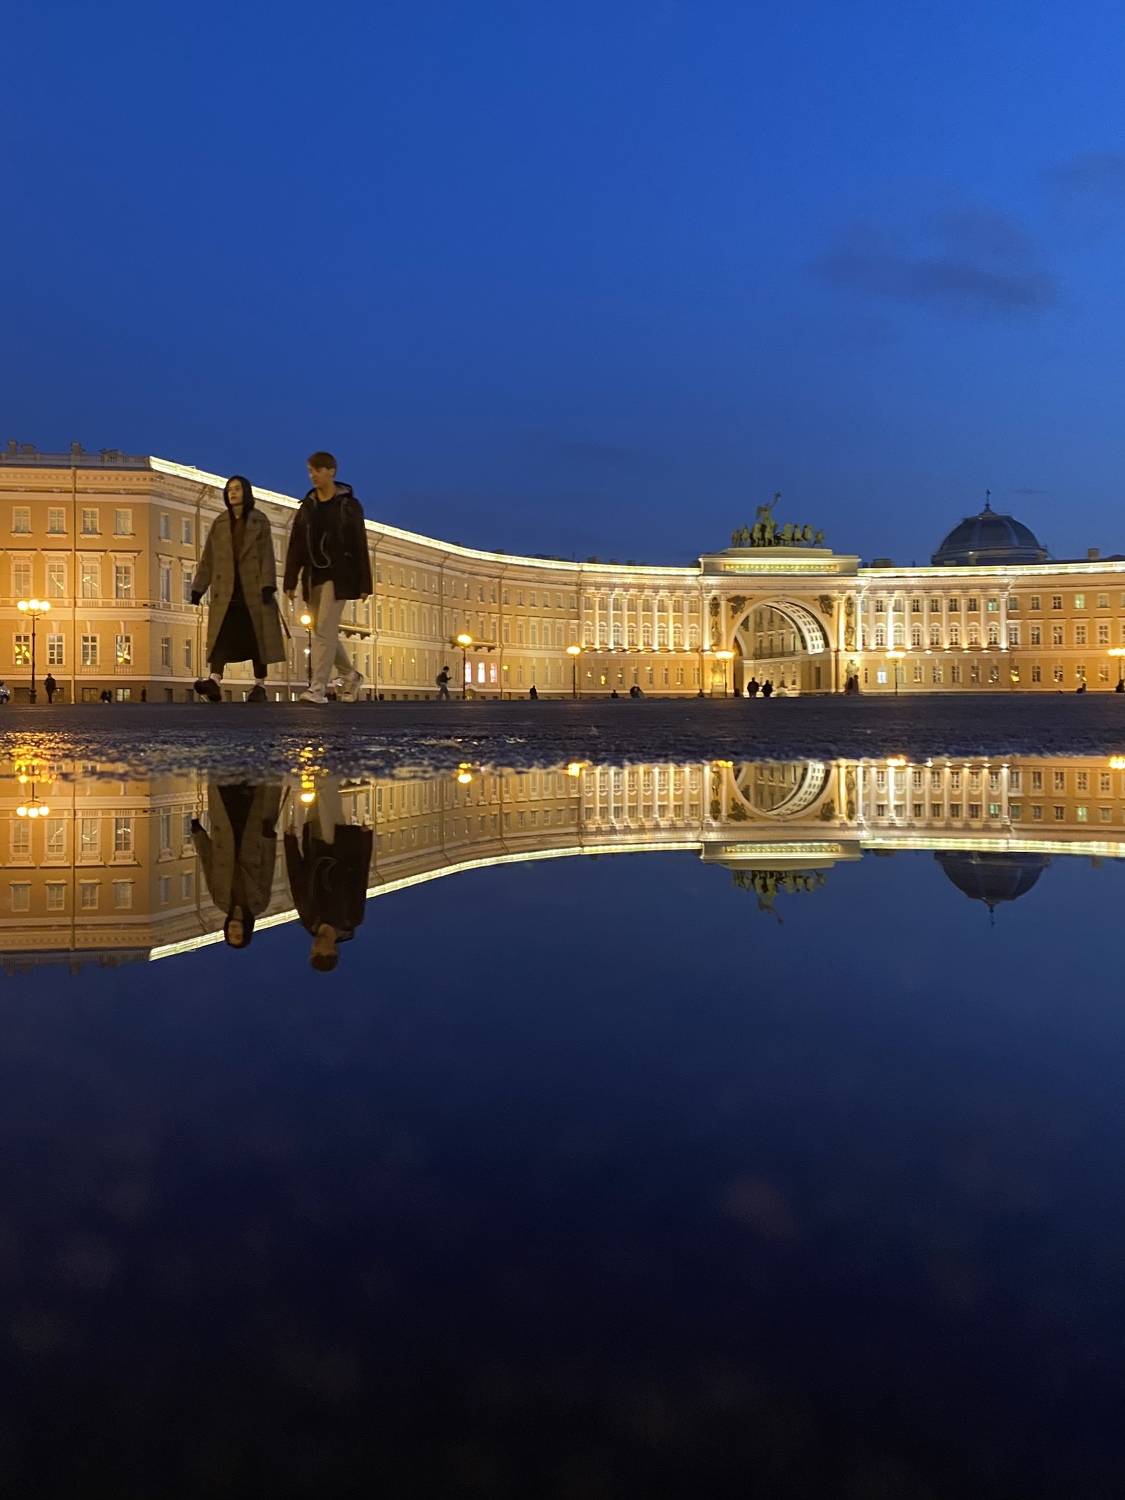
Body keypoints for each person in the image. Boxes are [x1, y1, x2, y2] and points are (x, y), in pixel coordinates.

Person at [283, 451, 372, 706]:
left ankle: (317, 689)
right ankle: (350, 675)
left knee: (323, 630)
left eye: (317, 470)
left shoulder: (349, 506)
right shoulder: (307, 507)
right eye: (310, 471)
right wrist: (290, 580)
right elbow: (296, 545)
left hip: (339, 575)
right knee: (323, 630)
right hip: (314, 576)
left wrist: (365, 583)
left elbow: (359, 542)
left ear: (331, 471)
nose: (313, 475)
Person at [191, 476, 285, 703]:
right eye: (229, 489)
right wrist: (198, 587)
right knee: (221, 636)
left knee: (257, 639)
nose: (232, 493)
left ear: (246, 492)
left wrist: (268, 584)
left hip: (252, 590)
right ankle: (214, 682)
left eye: (237, 489)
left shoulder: (259, 520)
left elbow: (267, 555)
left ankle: (259, 686)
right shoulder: (220, 523)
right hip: (226, 591)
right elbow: (209, 558)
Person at [285, 777, 373, 971]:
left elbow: (296, 880)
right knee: (326, 793)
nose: (314, 947)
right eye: (319, 952)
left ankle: (319, 766)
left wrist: (290, 844)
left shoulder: (309, 920)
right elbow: (360, 879)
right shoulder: (350, 918)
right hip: (338, 847)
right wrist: (366, 839)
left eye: (312, 951)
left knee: (317, 796)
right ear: (332, 951)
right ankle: (326, 766)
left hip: (313, 847)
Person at [192, 781, 282, 947]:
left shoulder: (220, 902)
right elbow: (267, 868)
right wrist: (268, 839)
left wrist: (198, 835)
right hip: (251, 841)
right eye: (238, 935)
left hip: (225, 838)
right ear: (246, 930)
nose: (233, 931)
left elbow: (208, 864)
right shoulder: (258, 903)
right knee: (256, 795)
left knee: (222, 791)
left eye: (230, 934)